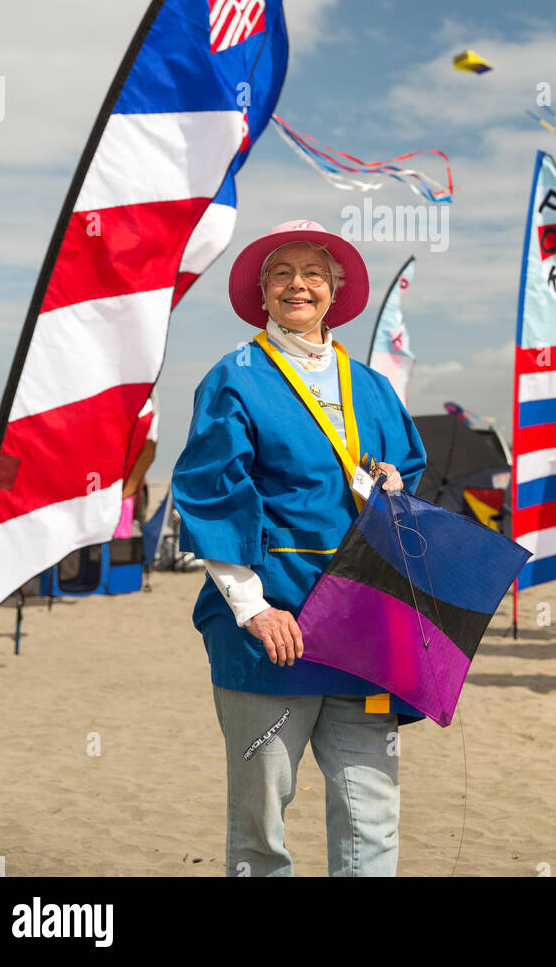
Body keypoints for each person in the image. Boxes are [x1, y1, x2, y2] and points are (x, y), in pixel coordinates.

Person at [171, 219, 427, 877]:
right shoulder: (236, 378)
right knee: (262, 823)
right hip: (273, 633)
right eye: (281, 273)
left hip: (365, 629)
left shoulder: (369, 385)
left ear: (335, 291)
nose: (298, 285)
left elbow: (410, 473)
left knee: (371, 815)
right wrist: (253, 608)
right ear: (262, 293)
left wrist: (395, 487)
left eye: (314, 273)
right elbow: (211, 494)